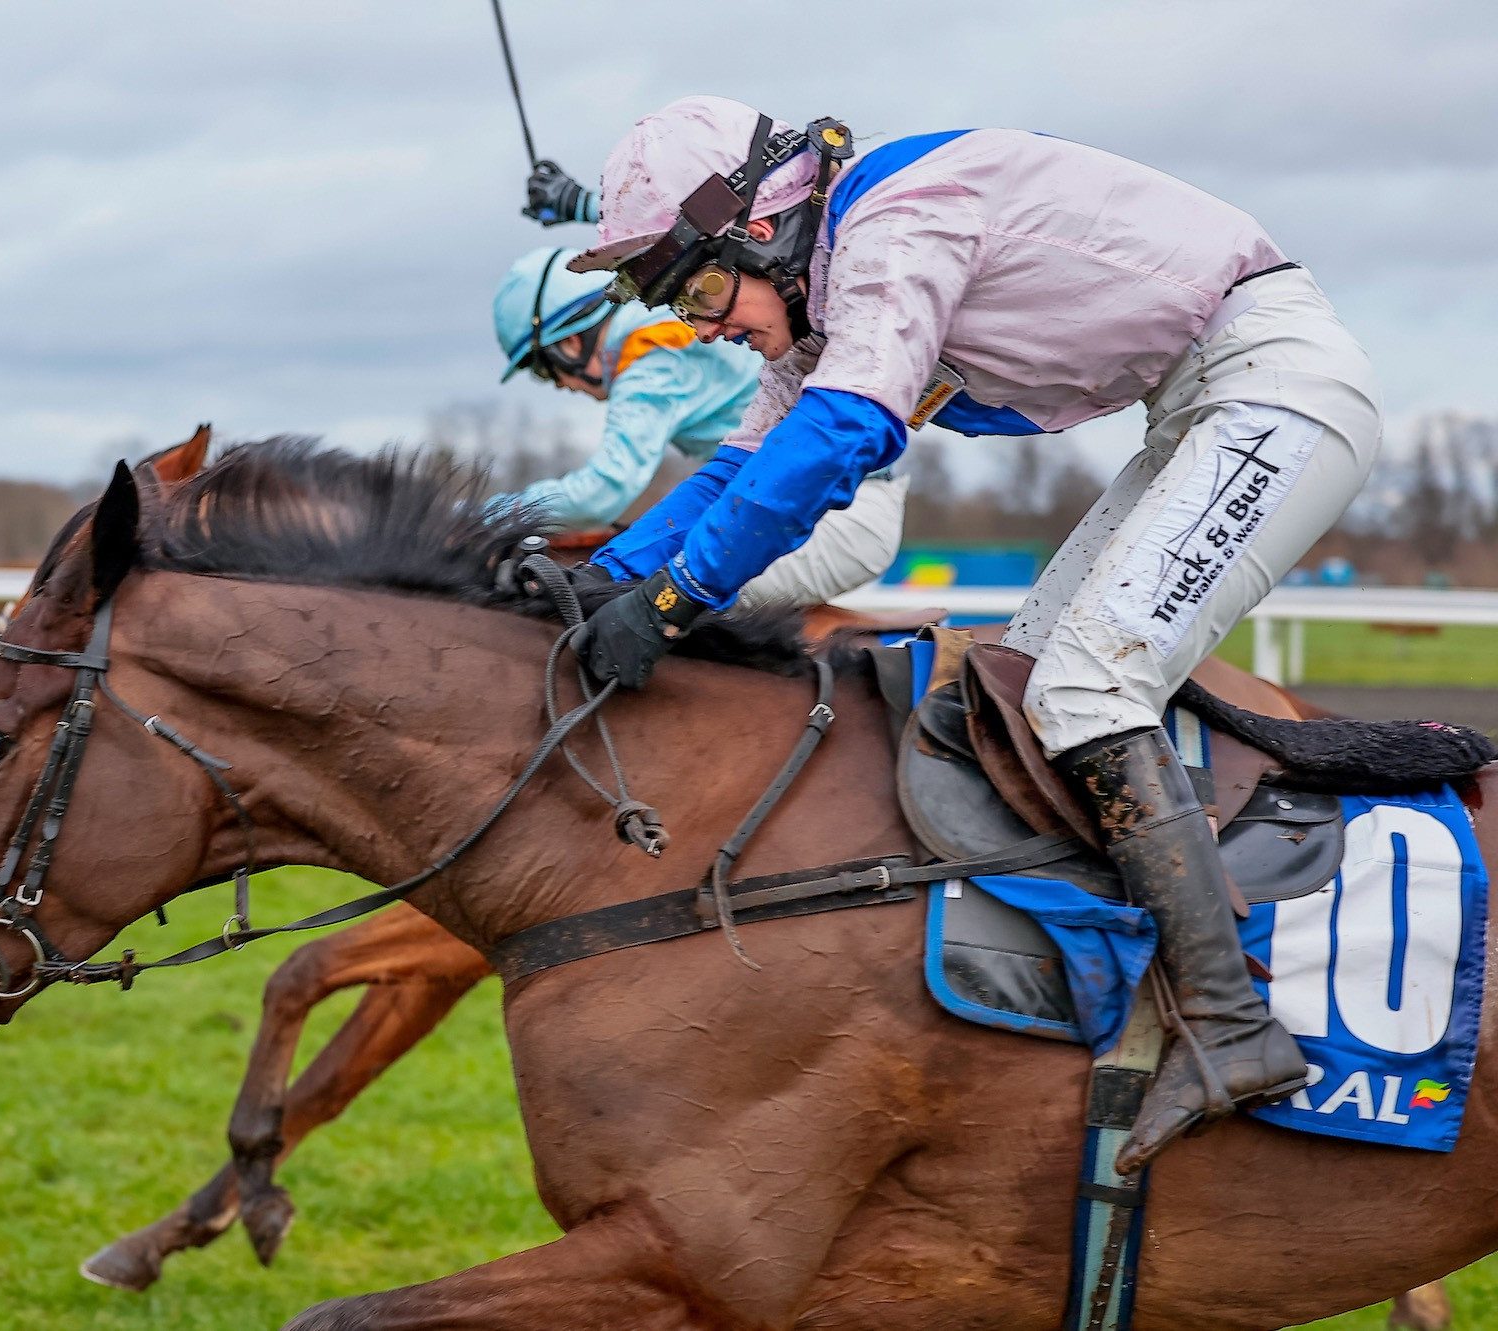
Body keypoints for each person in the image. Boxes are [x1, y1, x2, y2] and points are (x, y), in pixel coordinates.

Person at [567, 95, 1382, 1171]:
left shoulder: (898, 218)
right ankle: (1120, 988)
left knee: (1086, 690)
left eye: (703, 288)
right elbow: (734, 466)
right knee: (1023, 678)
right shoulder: (827, 295)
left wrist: (675, 602)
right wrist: (592, 585)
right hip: (1199, 408)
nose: (706, 324)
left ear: (764, 226)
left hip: (1271, 386)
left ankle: (1231, 1025)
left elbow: (846, 433)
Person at [493, 244, 908, 608]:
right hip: (812, 505)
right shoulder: (656, 327)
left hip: (843, 520)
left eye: (544, 372)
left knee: (651, 602)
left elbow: (603, 492)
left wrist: (486, 515)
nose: (561, 388)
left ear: (568, 345)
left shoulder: (650, 356)